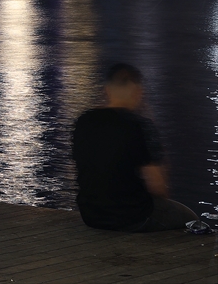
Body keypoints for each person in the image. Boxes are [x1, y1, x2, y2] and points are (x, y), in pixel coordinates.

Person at [72, 63, 198, 231]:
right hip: (132, 217)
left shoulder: (83, 121)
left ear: (107, 90)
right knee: (191, 219)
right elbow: (158, 186)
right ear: (138, 93)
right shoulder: (139, 125)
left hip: (91, 215)